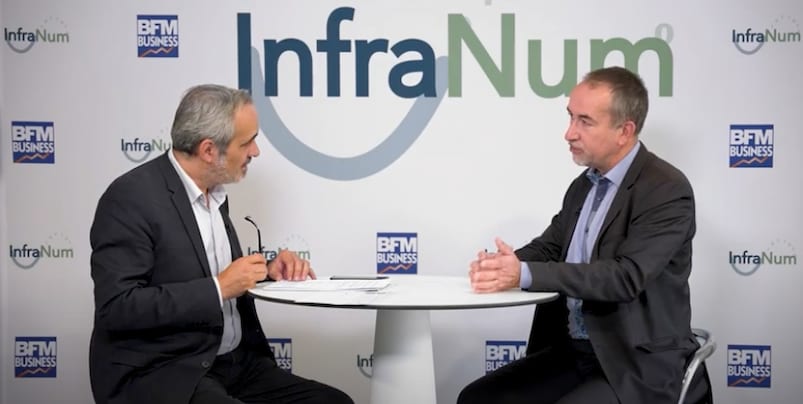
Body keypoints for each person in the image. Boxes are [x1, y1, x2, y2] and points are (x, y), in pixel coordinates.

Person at [458, 67, 712, 404]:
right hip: (573, 352)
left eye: (585, 122)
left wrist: (523, 274)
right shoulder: (584, 185)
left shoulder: (666, 189)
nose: (569, 133)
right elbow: (551, 247)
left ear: (624, 131)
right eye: (570, 117)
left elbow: (625, 277)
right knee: (477, 399)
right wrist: (505, 264)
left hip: (635, 363)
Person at [89, 84, 353, 404]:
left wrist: (267, 272)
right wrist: (219, 287)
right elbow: (118, 307)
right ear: (209, 151)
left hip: (236, 364)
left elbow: (208, 271)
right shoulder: (131, 198)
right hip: (167, 370)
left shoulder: (215, 194)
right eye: (247, 142)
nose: (255, 152)